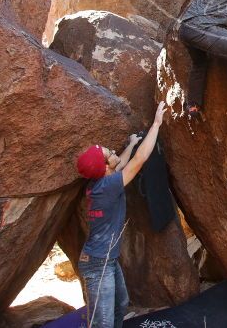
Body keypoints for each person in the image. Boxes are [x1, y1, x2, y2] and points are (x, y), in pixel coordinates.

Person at [75, 101, 166, 328]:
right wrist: (156, 124)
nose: (113, 151)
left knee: (121, 304)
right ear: (105, 167)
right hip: (98, 264)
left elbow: (121, 163)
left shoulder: (100, 182)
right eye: (109, 153)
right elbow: (138, 160)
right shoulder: (108, 187)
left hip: (104, 259)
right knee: (102, 322)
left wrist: (133, 142)